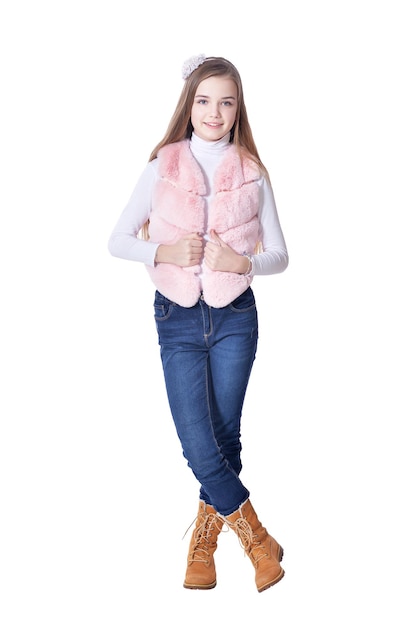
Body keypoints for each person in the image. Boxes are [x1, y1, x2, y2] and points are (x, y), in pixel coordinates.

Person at [108, 54, 289, 593]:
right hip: (178, 318)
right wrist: (163, 248)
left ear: (237, 111)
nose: (214, 112)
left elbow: (280, 254)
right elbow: (116, 239)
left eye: (225, 102)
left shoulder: (252, 171)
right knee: (197, 440)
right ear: (189, 105)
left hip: (236, 317)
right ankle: (258, 538)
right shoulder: (162, 164)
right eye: (204, 100)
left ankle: (204, 543)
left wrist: (245, 263)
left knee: (224, 435)